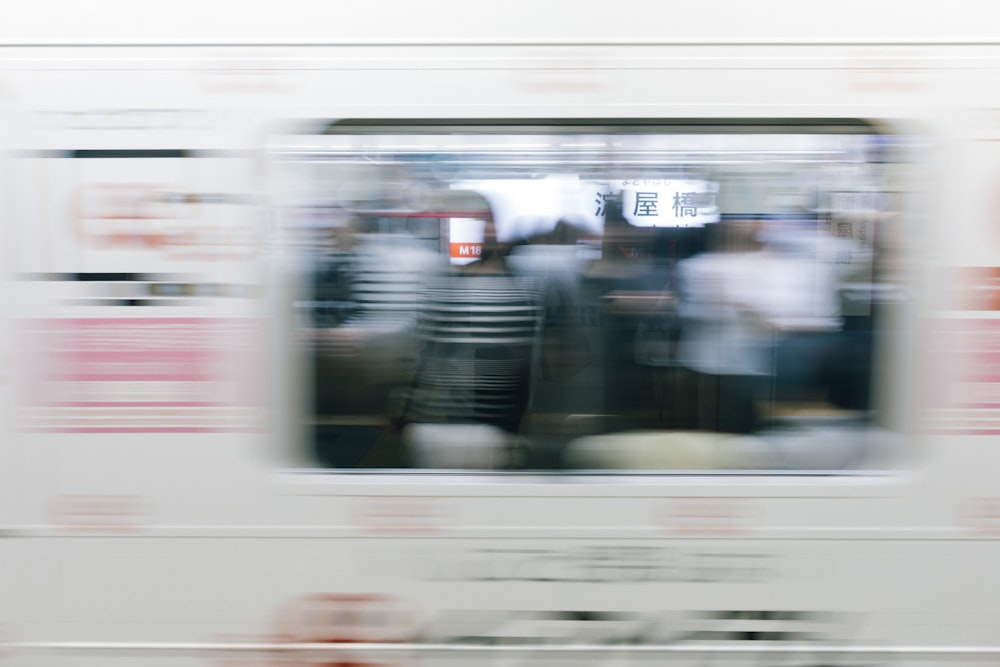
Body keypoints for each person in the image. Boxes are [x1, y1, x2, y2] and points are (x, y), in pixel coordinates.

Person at [400, 198, 545, 468]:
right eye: (480, 223)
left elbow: (530, 356)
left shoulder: (525, 287)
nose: (487, 231)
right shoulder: (447, 283)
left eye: (491, 223)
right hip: (450, 414)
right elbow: (428, 350)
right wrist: (411, 409)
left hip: (504, 414)